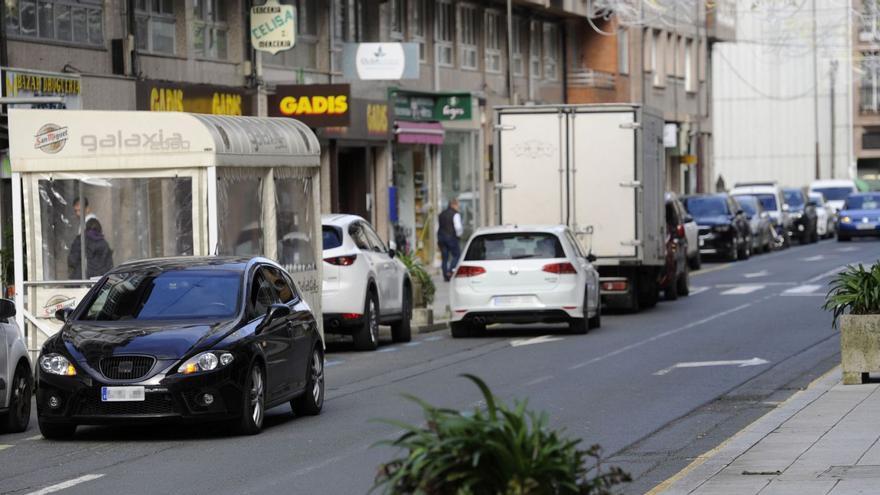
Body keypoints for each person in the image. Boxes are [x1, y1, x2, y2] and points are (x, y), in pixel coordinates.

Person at [438, 198, 464, 282]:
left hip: (441, 237)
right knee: (457, 255)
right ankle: (450, 271)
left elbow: (438, 227)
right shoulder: (455, 214)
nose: (458, 207)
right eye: (457, 205)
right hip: (451, 238)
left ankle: (445, 275)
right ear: (453, 205)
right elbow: (458, 227)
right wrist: (459, 235)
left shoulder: (441, 214)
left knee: (444, 258)